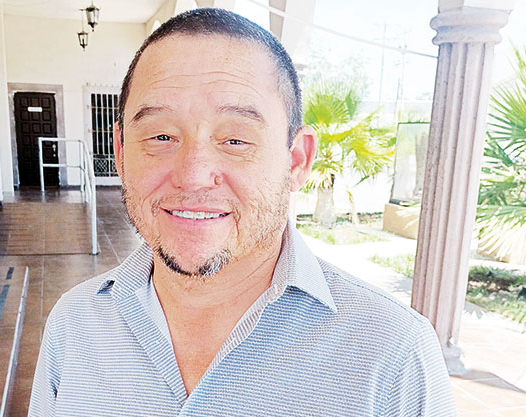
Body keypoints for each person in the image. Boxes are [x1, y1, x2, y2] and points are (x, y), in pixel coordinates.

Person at [29, 8, 456, 416]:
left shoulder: (394, 355)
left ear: (297, 160)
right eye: (160, 136)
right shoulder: (75, 324)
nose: (193, 176)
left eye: (235, 140)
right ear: (121, 152)